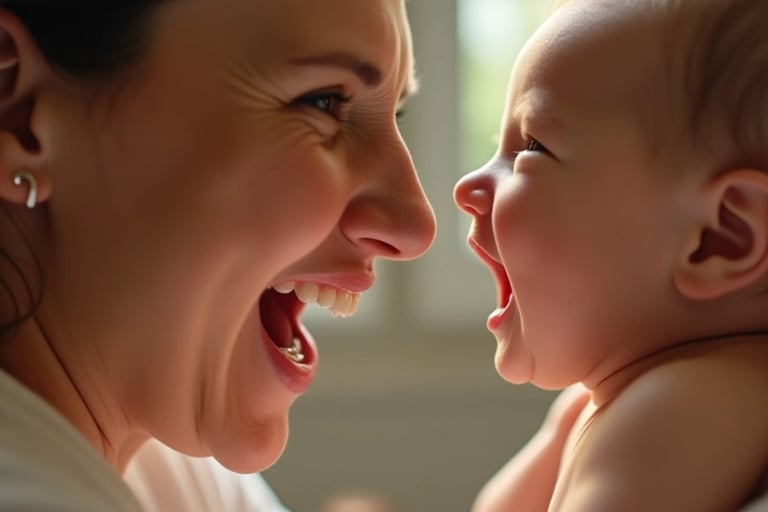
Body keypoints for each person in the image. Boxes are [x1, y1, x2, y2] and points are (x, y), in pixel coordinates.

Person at [0, 0, 435, 510]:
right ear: (18, 110)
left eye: (396, 113)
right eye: (322, 102)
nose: (416, 225)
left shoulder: (158, 465)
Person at [454, 0, 768, 510]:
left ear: (721, 237)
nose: (467, 186)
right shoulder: (603, 401)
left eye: (531, 146)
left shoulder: (684, 409)